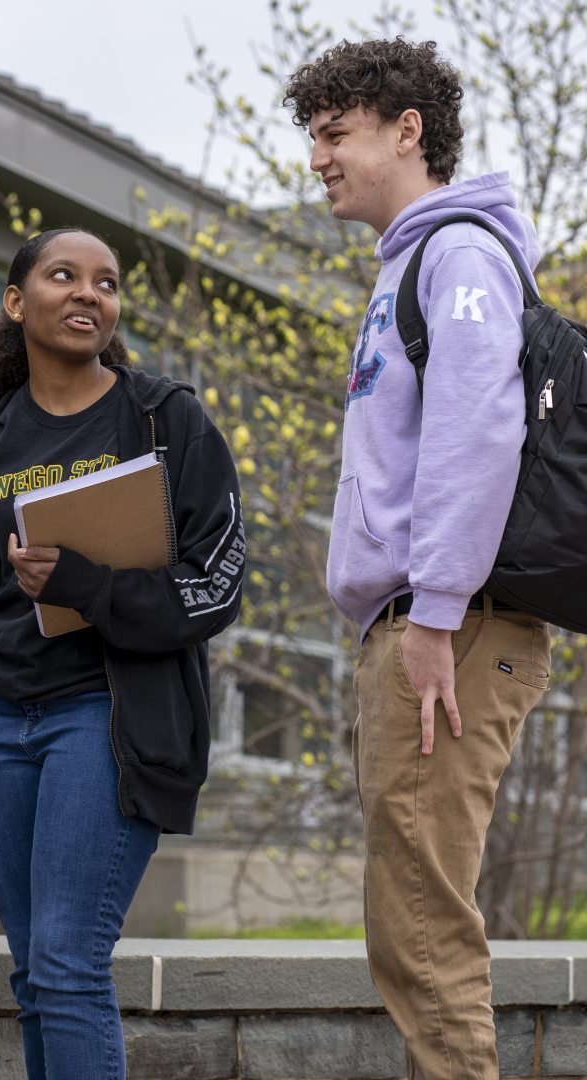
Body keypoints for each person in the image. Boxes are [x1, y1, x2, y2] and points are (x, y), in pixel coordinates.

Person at [0, 228, 246, 1079]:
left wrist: (85, 584)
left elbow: (219, 584)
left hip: (106, 721)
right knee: (33, 977)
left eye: (108, 282)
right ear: (18, 302)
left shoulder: (166, 421)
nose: (90, 293)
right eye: (65, 276)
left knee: (66, 963)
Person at [284, 39, 550, 1080]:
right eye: (312, 136)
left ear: (407, 131)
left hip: (451, 624)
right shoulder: (409, 263)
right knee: (409, 919)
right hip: (424, 623)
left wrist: (435, 613)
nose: (318, 158)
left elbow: (479, 434)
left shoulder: (461, 255)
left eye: (335, 132)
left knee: (424, 923)